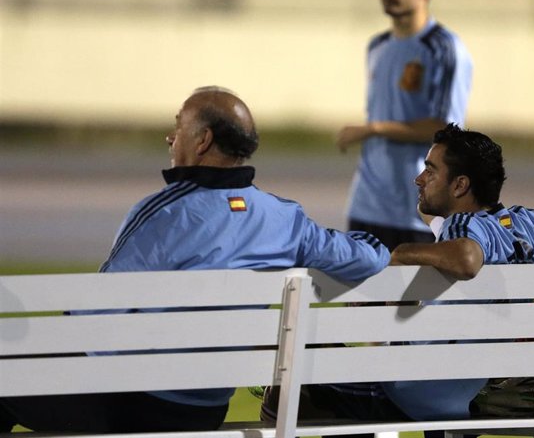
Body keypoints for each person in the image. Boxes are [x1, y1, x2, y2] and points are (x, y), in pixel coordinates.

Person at [0, 86, 390, 434]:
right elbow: (369, 259)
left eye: (178, 127)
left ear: (202, 140)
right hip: (203, 410)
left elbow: (98, 311)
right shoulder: (285, 219)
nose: (170, 137)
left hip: (127, 404)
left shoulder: (165, 213)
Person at [262, 124, 534, 434]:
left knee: (291, 381)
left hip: (419, 392)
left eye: (430, 171)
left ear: (460, 185)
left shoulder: (462, 227)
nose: (419, 178)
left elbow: (467, 258)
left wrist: (397, 254)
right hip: (480, 387)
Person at [337, 0, 473, 250]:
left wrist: (372, 129)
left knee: (411, 299)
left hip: (416, 211)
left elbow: (445, 130)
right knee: (360, 298)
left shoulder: (444, 49)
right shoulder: (377, 46)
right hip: (367, 205)